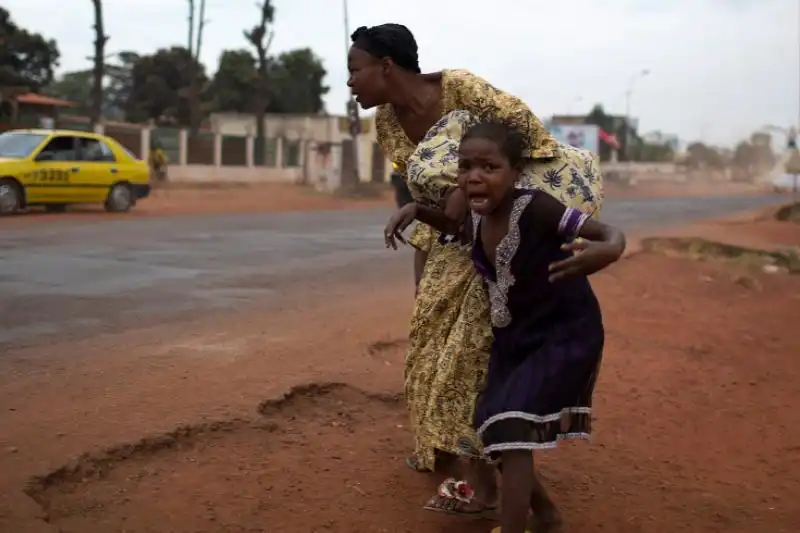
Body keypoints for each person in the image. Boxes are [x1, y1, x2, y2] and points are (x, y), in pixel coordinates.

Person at [348, 23, 604, 516]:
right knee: (427, 350)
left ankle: (490, 487)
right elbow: (427, 194)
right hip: (450, 234)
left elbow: (530, 135)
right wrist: (425, 279)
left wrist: (474, 186)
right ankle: (463, 461)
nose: (350, 83)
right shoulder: (385, 124)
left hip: (502, 230)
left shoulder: (460, 88)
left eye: (355, 71)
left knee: (471, 361)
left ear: (386, 67)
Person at [402, 117, 624, 532]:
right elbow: (452, 226)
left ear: (515, 172)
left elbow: (609, 232)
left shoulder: (535, 207)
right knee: (493, 429)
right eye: (465, 167)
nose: (474, 178)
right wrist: (417, 210)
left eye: (489, 167)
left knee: (510, 423)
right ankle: (548, 516)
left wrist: (607, 251)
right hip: (514, 339)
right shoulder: (476, 218)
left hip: (562, 333)